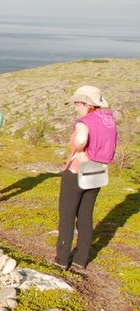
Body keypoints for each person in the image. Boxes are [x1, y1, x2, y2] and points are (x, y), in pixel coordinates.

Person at [53, 85, 117, 271]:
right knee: (85, 216)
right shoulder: (109, 121)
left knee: (67, 216)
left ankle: (62, 259)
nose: (76, 108)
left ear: (87, 104)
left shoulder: (85, 121)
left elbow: (81, 140)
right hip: (98, 171)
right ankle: (81, 259)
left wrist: (80, 152)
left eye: (78, 104)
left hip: (77, 171)